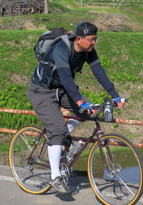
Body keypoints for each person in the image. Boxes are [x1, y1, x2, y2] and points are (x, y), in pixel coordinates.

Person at [27, 21, 125, 194]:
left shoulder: (88, 51)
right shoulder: (61, 49)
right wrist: (79, 101)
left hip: (62, 90)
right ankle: (55, 176)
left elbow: (99, 72)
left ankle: (61, 134)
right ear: (79, 39)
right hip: (41, 91)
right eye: (92, 39)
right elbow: (66, 77)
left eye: (96, 39)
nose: (94, 42)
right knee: (56, 128)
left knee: (89, 112)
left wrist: (115, 95)